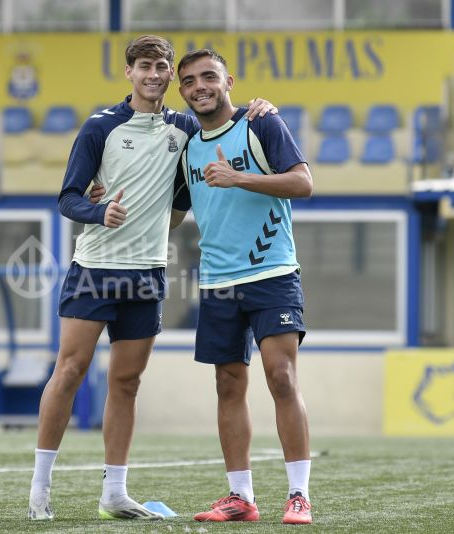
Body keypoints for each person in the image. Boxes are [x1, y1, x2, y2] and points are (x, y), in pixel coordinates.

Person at [28, 35, 277, 521]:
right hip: (95, 269)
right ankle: (40, 489)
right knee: (70, 371)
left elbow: (219, 125)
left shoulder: (183, 128)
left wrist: (256, 108)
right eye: (145, 65)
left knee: (126, 382)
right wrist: (100, 212)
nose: (154, 74)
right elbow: (68, 198)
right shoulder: (100, 127)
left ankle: (114, 493)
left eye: (162, 66)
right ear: (129, 73)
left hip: (148, 273)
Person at [173, 49, 315, 525]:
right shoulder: (187, 145)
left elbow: (302, 183)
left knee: (281, 377)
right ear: (183, 91)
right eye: (190, 80)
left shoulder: (262, 124)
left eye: (208, 76)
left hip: (272, 272)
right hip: (217, 281)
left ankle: (298, 494)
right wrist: (105, 202)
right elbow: (171, 217)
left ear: (227, 80)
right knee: (228, 384)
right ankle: (240, 498)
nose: (200, 86)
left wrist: (239, 178)